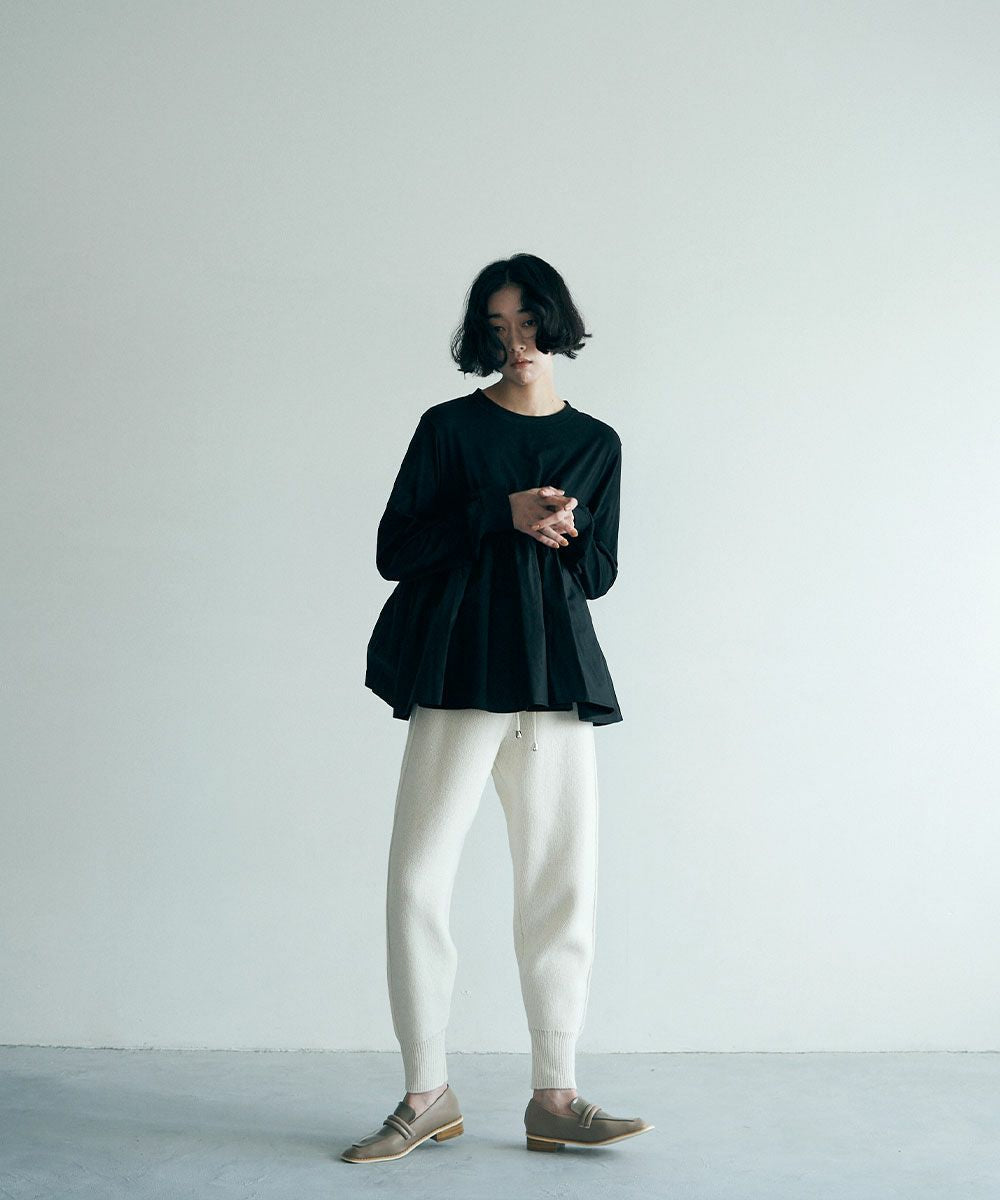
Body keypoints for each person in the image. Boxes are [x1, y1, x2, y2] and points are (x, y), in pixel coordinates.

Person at [342, 253, 653, 1163]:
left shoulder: (598, 441)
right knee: (417, 881)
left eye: (528, 324)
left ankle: (555, 1095)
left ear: (556, 324)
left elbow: (598, 575)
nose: (516, 343)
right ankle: (425, 1092)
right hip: (461, 669)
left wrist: (565, 529)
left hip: (554, 675)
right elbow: (395, 549)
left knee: (561, 883)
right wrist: (501, 511)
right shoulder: (448, 429)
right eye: (499, 328)